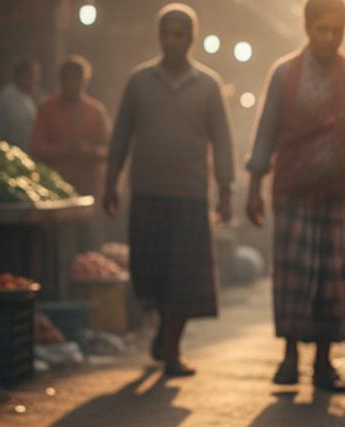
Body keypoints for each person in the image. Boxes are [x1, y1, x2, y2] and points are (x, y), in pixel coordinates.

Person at [246, 0, 345, 391]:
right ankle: (290, 357)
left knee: (332, 281)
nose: (330, 38)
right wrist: (254, 186)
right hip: (293, 192)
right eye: (322, 30)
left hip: (339, 194)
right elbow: (265, 131)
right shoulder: (284, 73)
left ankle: (323, 363)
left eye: (337, 31)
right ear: (307, 28)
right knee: (294, 278)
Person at [105, 3, 234, 377]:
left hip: (190, 195)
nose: (173, 41)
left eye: (180, 35)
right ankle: (164, 327)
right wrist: (111, 179)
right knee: (151, 271)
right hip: (147, 191)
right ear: (159, 37)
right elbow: (121, 134)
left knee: (183, 276)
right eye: (167, 34)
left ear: (191, 39)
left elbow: (222, 141)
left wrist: (226, 190)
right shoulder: (139, 81)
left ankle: (173, 350)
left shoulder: (208, 85)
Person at [31, 55, 110, 199]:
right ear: (60, 81)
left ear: (84, 81)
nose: (71, 85)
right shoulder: (47, 109)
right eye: (67, 80)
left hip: (88, 187)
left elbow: (108, 149)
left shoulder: (96, 111)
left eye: (76, 80)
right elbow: (36, 147)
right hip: (53, 186)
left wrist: (87, 150)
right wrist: (62, 149)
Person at [0, 59, 39, 150]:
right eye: (30, 77)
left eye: (34, 77)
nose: (34, 81)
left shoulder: (24, 96)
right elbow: (16, 132)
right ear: (19, 76)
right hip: (9, 152)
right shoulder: (9, 97)